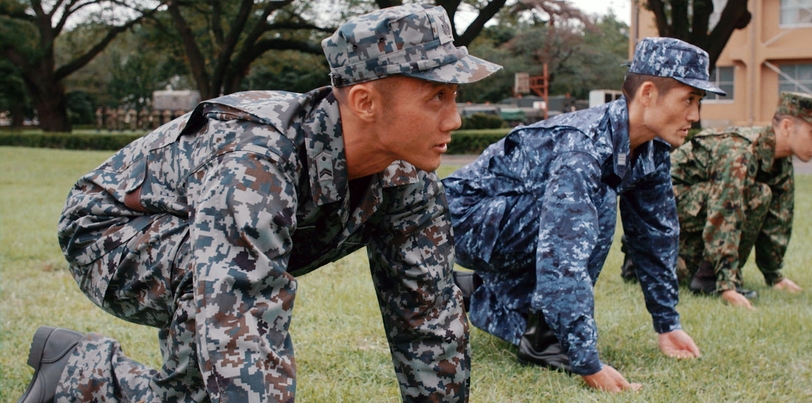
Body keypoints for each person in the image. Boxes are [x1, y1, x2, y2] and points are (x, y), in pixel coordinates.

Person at [16, 5, 500, 403]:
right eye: (437, 97)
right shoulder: (259, 162)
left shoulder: (406, 177)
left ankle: (69, 370)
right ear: (365, 103)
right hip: (108, 234)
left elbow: (427, 314)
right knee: (223, 367)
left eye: (455, 96)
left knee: (199, 390)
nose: (454, 119)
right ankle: (81, 370)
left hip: (199, 245)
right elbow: (242, 319)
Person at [444, 37, 724, 393]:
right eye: (688, 99)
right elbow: (563, 255)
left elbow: (655, 234)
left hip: (506, 223)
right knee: (595, 204)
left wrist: (667, 324)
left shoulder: (652, 148)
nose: (695, 116)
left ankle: (473, 291)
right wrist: (585, 360)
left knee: (594, 203)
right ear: (648, 93)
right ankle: (546, 338)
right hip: (462, 223)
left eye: (698, 102)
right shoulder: (584, 146)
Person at [623, 91, 812, 310]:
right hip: (656, 209)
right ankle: (662, 262)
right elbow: (724, 212)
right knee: (753, 195)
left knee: (759, 194)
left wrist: (774, 276)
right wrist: (726, 285)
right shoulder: (740, 151)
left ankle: (688, 268)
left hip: (690, 211)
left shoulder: (780, 161)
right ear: (786, 126)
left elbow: (778, 221)